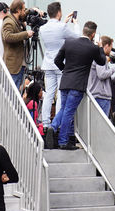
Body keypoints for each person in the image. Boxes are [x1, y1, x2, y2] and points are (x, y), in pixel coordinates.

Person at [47, 21, 106, 150]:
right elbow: (102, 61)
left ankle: (52, 127)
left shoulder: (69, 42)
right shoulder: (93, 48)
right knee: (69, 112)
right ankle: (63, 141)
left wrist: (65, 70)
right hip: (78, 85)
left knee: (64, 109)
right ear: (93, 34)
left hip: (65, 82)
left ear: (84, 31)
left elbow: (57, 60)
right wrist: (100, 46)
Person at [39, 2, 79, 132]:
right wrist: (75, 24)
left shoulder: (42, 28)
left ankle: (45, 123)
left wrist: (64, 23)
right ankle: (58, 122)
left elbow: (57, 35)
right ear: (59, 12)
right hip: (61, 64)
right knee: (61, 95)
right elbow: (76, 38)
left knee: (49, 94)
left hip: (48, 63)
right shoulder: (62, 27)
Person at [2, 0, 34, 91]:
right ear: (18, 10)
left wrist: (33, 10)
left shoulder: (16, 19)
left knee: (16, 91)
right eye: (23, 10)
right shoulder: (9, 21)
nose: (25, 12)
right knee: (12, 92)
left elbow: (23, 16)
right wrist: (25, 34)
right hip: (13, 65)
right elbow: (7, 37)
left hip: (19, 64)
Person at [88, 35, 115, 117]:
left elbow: (105, 78)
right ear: (106, 46)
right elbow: (102, 75)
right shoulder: (100, 57)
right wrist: (114, 69)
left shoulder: (96, 56)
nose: (111, 50)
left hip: (98, 96)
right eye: (111, 47)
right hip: (101, 97)